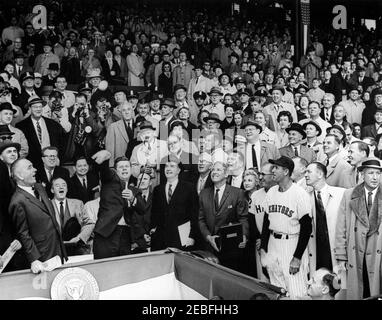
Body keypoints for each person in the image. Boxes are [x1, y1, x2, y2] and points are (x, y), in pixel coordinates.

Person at [260, 156, 312, 299]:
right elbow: (266, 222)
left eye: (276, 168)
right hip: (273, 243)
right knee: (277, 291)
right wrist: (263, 248)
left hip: (291, 243)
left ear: (286, 171)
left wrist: (297, 257)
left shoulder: (300, 194)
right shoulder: (271, 192)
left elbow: (307, 229)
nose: (273, 171)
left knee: (296, 292)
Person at [9, 158, 67, 273]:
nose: (35, 170)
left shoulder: (39, 187)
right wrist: (34, 259)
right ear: (20, 176)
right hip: (42, 256)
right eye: (30, 167)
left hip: (57, 248)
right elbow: (23, 234)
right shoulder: (17, 202)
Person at [335, 158, 382, 300]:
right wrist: (341, 255)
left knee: (376, 290)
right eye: (371, 173)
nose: (375, 177)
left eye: (378, 173)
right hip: (356, 251)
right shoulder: (349, 194)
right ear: (362, 174)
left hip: (378, 252)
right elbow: (341, 226)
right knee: (359, 289)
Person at [92, 151, 146, 259]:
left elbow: (142, 208)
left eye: (127, 166)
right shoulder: (110, 180)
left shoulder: (135, 191)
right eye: (121, 167)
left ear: (131, 170)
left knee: (123, 270)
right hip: (106, 234)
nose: (124, 169)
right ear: (116, 171)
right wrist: (106, 157)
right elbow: (105, 170)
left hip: (125, 236)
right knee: (103, 269)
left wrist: (132, 198)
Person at [198, 161, 249, 272]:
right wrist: (208, 237)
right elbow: (201, 220)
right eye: (213, 170)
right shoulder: (204, 194)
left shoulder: (238, 193)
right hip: (209, 249)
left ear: (226, 174)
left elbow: (243, 218)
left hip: (231, 249)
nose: (214, 172)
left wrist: (244, 235)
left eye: (218, 169)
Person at [304, 162, 345, 276]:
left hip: (336, 252)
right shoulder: (305, 197)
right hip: (317, 252)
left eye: (309, 172)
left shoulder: (341, 194)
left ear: (320, 174)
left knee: (340, 286)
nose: (305, 175)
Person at [150, 156, 199, 251]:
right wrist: (152, 229)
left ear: (179, 170)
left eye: (172, 166)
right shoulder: (158, 189)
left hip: (182, 238)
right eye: (166, 166)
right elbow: (154, 213)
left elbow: (195, 214)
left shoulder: (189, 188)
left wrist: (192, 236)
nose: (168, 169)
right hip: (161, 239)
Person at [16, 96, 66, 170]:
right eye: (35, 107)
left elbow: (62, 143)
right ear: (30, 109)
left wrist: (58, 158)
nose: (38, 109)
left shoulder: (52, 124)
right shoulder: (22, 126)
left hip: (52, 163)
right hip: (33, 165)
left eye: (40, 107)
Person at [50, 177, 94, 256]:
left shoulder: (78, 203)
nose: (61, 187)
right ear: (52, 190)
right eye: (57, 185)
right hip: (55, 249)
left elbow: (89, 224)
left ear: (67, 189)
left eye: (64, 185)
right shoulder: (46, 206)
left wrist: (79, 238)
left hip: (77, 247)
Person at [105, 102, 135, 167]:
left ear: (132, 110)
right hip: (120, 165)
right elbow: (110, 150)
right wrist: (111, 167)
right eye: (124, 110)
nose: (126, 112)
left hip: (136, 166)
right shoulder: (113, 127)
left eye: (129, 109)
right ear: (121, 112)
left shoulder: (139, 125)